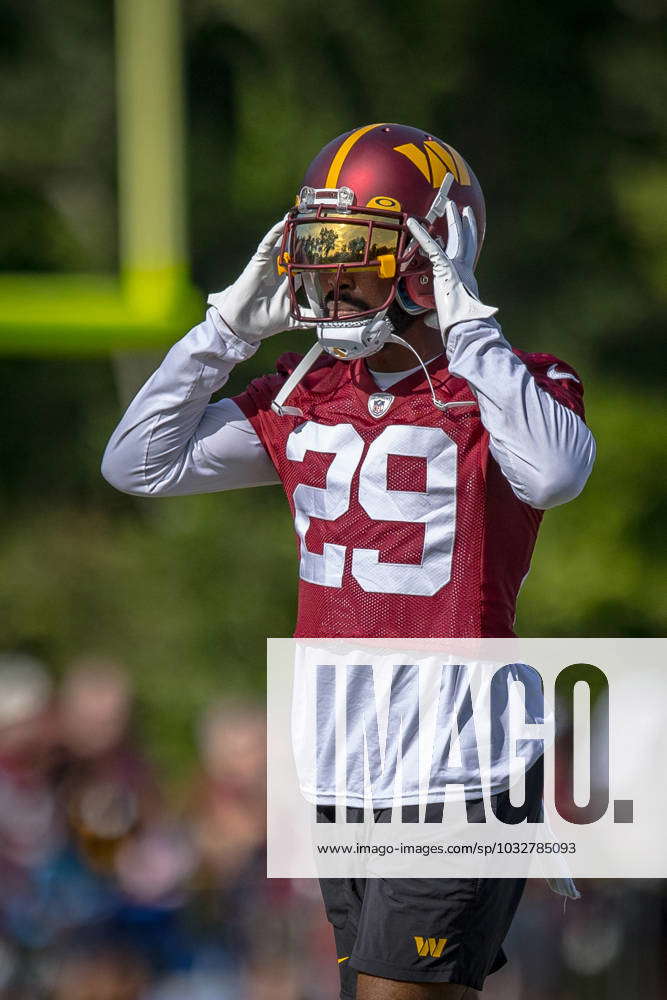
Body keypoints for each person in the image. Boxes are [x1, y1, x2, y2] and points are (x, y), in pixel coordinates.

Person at [102, 123, 596, 999]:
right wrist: (221, 329)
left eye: (356, 258)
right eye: (318, 256)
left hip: (460, 760)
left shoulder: (510, 385)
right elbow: (137, 462)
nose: (329, 285)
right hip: (344, 758)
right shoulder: (306, 389)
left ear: (431, 258)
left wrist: (469, 325)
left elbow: (556, 474)